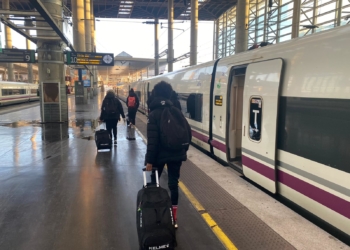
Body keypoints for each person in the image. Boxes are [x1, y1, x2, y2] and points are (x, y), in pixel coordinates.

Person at [145, 81, 192, 229]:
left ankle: (157, 215)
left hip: (159, 156)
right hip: (176, 155)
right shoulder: (176, 110)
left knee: (154, 185)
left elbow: (153, 142)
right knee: (174, 185)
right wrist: (182, 151)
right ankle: (174, 218)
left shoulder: (153, 114)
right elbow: (187, 132)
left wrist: (149, 161)